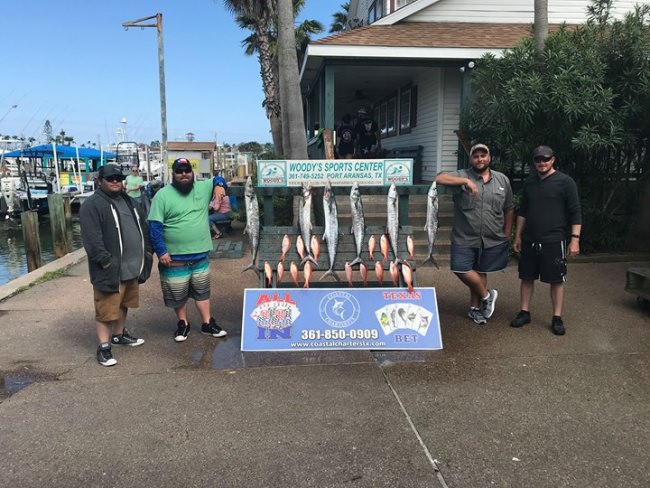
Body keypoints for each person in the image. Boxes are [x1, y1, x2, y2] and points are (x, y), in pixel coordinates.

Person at [80, 163, 153, 367]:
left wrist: (147, 252)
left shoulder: (129, 201)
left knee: (124, 303)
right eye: (110, 179)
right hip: (110, 269)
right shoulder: (92, 205)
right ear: (100, 181)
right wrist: (105, 261)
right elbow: (92, 240)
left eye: (118, 179)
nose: (115, 182)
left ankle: (119, 335)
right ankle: (104, 347)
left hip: (132, 265)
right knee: (105, 308)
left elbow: (143, 227)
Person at [148, 158, 227, 342]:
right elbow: (154, 227)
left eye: (187, 170)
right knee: (178, 295)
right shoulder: (162, 195)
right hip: (173, 258)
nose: (184, 174)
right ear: (173, 174)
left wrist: (219, 185)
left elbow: (218, 178)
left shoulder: (202, 187)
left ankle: (207, 323)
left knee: (202, 292)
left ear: (192, 173)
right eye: (179, 171)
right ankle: (183, 323)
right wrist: (161, 252)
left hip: (200, 255)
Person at [435, 144, 514, 324]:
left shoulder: (502, 180)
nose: (480, 159)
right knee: (460, 268)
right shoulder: (462, 175)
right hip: (464, 236)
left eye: (483, 156)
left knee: (481, 271)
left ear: (489, 158)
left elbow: (509, 208)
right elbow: (438, 178)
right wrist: (465, 182)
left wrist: (507, 232)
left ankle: (475, 308)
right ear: (471, 159)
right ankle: (487, 296)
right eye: (476, 156)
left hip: (492, 236)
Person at [511, 145, 582, 335]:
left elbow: (575, 212)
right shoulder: (530, 182)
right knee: (526, 277)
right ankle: (524, 312)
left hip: (554, 239)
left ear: (553, 160)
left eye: (546, 159)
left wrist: (575, 239)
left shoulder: (566, 182)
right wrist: (518, 235)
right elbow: (523, 212)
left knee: (556, 280)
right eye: (538, 160)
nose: (542, 163)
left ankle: (557, 317)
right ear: (534, 162)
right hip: (529, 239)